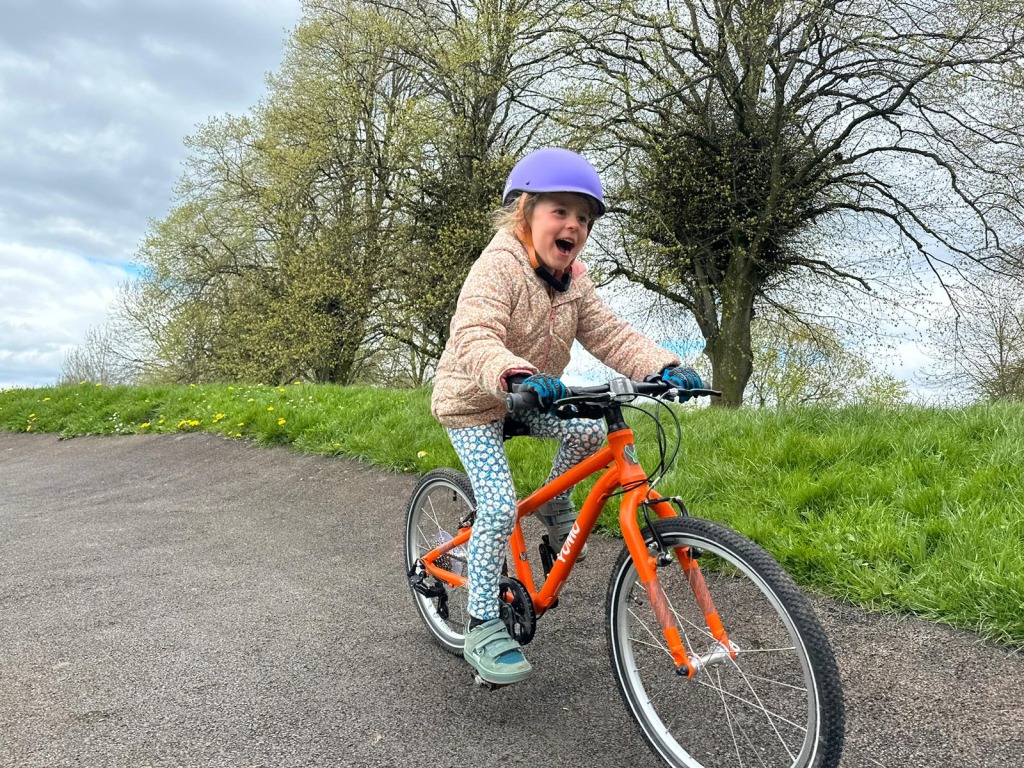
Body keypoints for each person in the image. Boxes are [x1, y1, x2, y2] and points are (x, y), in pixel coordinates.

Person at [430, 146, 703, 685]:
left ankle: (556, 505)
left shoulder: (575, 280)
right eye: (560, 211)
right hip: (476, 400)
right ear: (525, 212)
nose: (573, 226)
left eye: (584, 218)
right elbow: (473, 335)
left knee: (587, 427)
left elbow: (609, 334)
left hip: (534, 397)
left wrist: (666, 365)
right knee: (501, 505)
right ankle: (484, 622)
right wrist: (515, 375)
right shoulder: (498, 266)